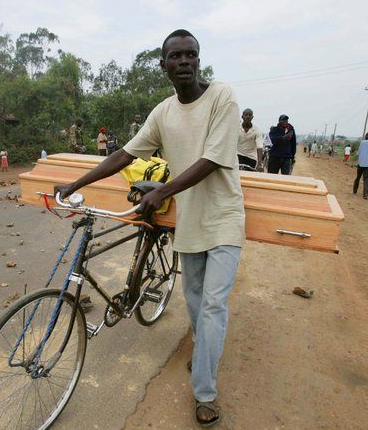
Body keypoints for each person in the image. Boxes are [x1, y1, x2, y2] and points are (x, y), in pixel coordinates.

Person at [55, 29, 243, 427]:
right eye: (176, 56)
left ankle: (205, 391)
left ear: (199, 59)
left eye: (191, 54)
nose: (185, 62)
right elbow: (124, 154)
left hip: (225, 217)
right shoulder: (163, 113)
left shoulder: (222, 97)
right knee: (194, 300)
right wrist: (75, 184)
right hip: (189, 219)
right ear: (164, 65)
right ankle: (206, 348)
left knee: (212, 304)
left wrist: (162, 192)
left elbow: (212, 159)